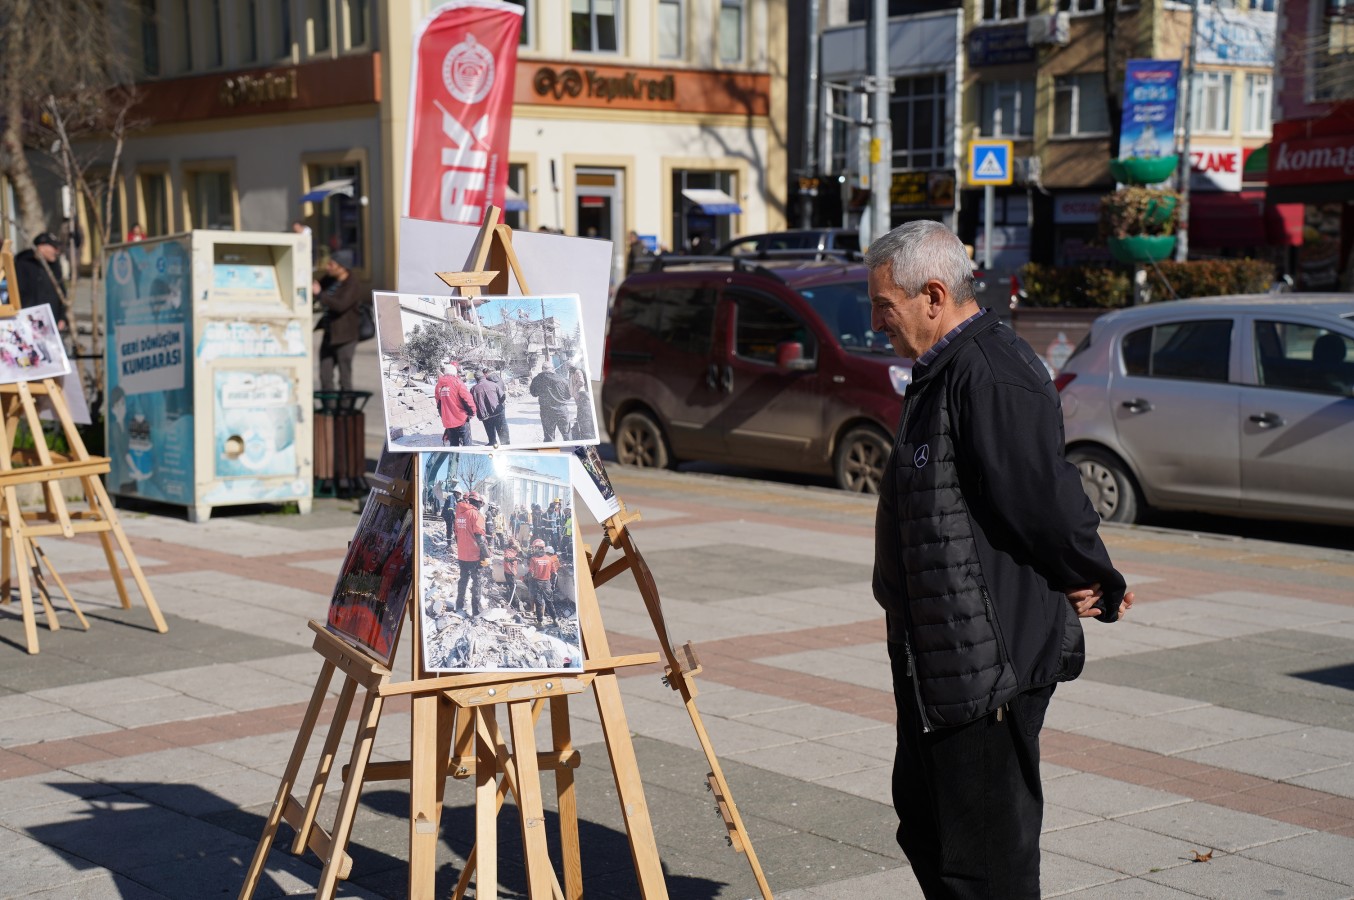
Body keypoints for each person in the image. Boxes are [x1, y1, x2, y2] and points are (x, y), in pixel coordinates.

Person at [865, 220, 1134, 899]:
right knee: (927, 826)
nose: (878, 324)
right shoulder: (942, 373)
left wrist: (1093, 576)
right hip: (938, 655)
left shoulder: (991, 371)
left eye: (884, 308)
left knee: (985, 862)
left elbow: (1041, 494)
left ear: (932, 295)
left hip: (988, 664)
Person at [313, 249, 365, 392]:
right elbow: (315, 288)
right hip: (330, 335)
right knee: (325, 375)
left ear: (342, 267)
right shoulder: (330, 279)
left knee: (344, 378)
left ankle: (344, 412)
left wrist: (319, 294)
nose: (328, 267)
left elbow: (340, 305)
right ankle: (328, 412)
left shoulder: (352, 284)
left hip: (345, 337)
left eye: (331, 264)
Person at [13, 233, 67, 330]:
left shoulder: (55, 266)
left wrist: (62, 317)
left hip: (51, 320)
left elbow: (62, 292)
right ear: (41, 247)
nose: (57, 251)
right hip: (29, 321)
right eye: (54, 247)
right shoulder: (23, 264)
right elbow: (17, 292)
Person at [452, 490, 490, 617]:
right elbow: (480, 538)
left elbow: (456, 535)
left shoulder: (459, 514)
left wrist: (462, 548)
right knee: (477, 582)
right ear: (478, 502)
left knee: (463, 580)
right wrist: (486, 555)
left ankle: (459, 605)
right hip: (474, 556)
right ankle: (476, 611)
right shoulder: (476, 515)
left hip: (462, 555)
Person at [529, 363, 574, 442]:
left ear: (542, 369)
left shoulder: (537, 379)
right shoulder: (561, 379)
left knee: (549, 437)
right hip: (562, 410)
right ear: (552, 369)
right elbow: (568, 395)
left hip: (546, 412)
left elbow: (534, 393)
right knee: (567, 436)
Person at [435, 361, 476, 446]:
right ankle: (467, 458)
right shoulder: (457, 382)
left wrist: (444, 416)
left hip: (448, 420)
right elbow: (467, 398)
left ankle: (454, 459)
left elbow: (438, 403)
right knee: (466, 443)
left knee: (453, 444)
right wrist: (472, 412)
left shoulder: (439, 385)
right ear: (455, 372)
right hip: (460, 418)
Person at [471, 367, 510, 445]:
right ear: (484, 376)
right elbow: (503, 396)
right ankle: (505, 445)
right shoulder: (493, 384)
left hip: (485, 414)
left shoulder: (473, 389)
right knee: (502, 428)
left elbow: (473, 403)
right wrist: (499, 405)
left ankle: (492, 443)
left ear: (476, 379)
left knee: (489, 429)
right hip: (498, 411)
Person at [525, 538, 560, 625]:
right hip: (547, 583)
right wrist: (552, 585)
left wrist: (527, 580)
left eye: (534, 547)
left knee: (539, 603)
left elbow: (531, 573)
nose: (533, 549)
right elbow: (554, 573)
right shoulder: (549, 559)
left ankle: (540, 622)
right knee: (549, 602)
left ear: (539, 548)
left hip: (537, 583)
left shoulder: (533, 559)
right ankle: (555, 620)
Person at [570, 367, 595, 441]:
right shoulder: (574, 373)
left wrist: (575, 390)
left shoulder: (577, 372)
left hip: (580, 394)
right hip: (581, 396)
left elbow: (581, 382)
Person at [502, 538, 522, 610]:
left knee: (512, 587)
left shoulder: (514, 551)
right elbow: (506, 559)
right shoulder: (508, 551)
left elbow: (522, 554)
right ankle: (512, 604)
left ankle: (512, 602)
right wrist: (515, 559)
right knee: (512, 588)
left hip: (512, 571)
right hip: (509, 572)